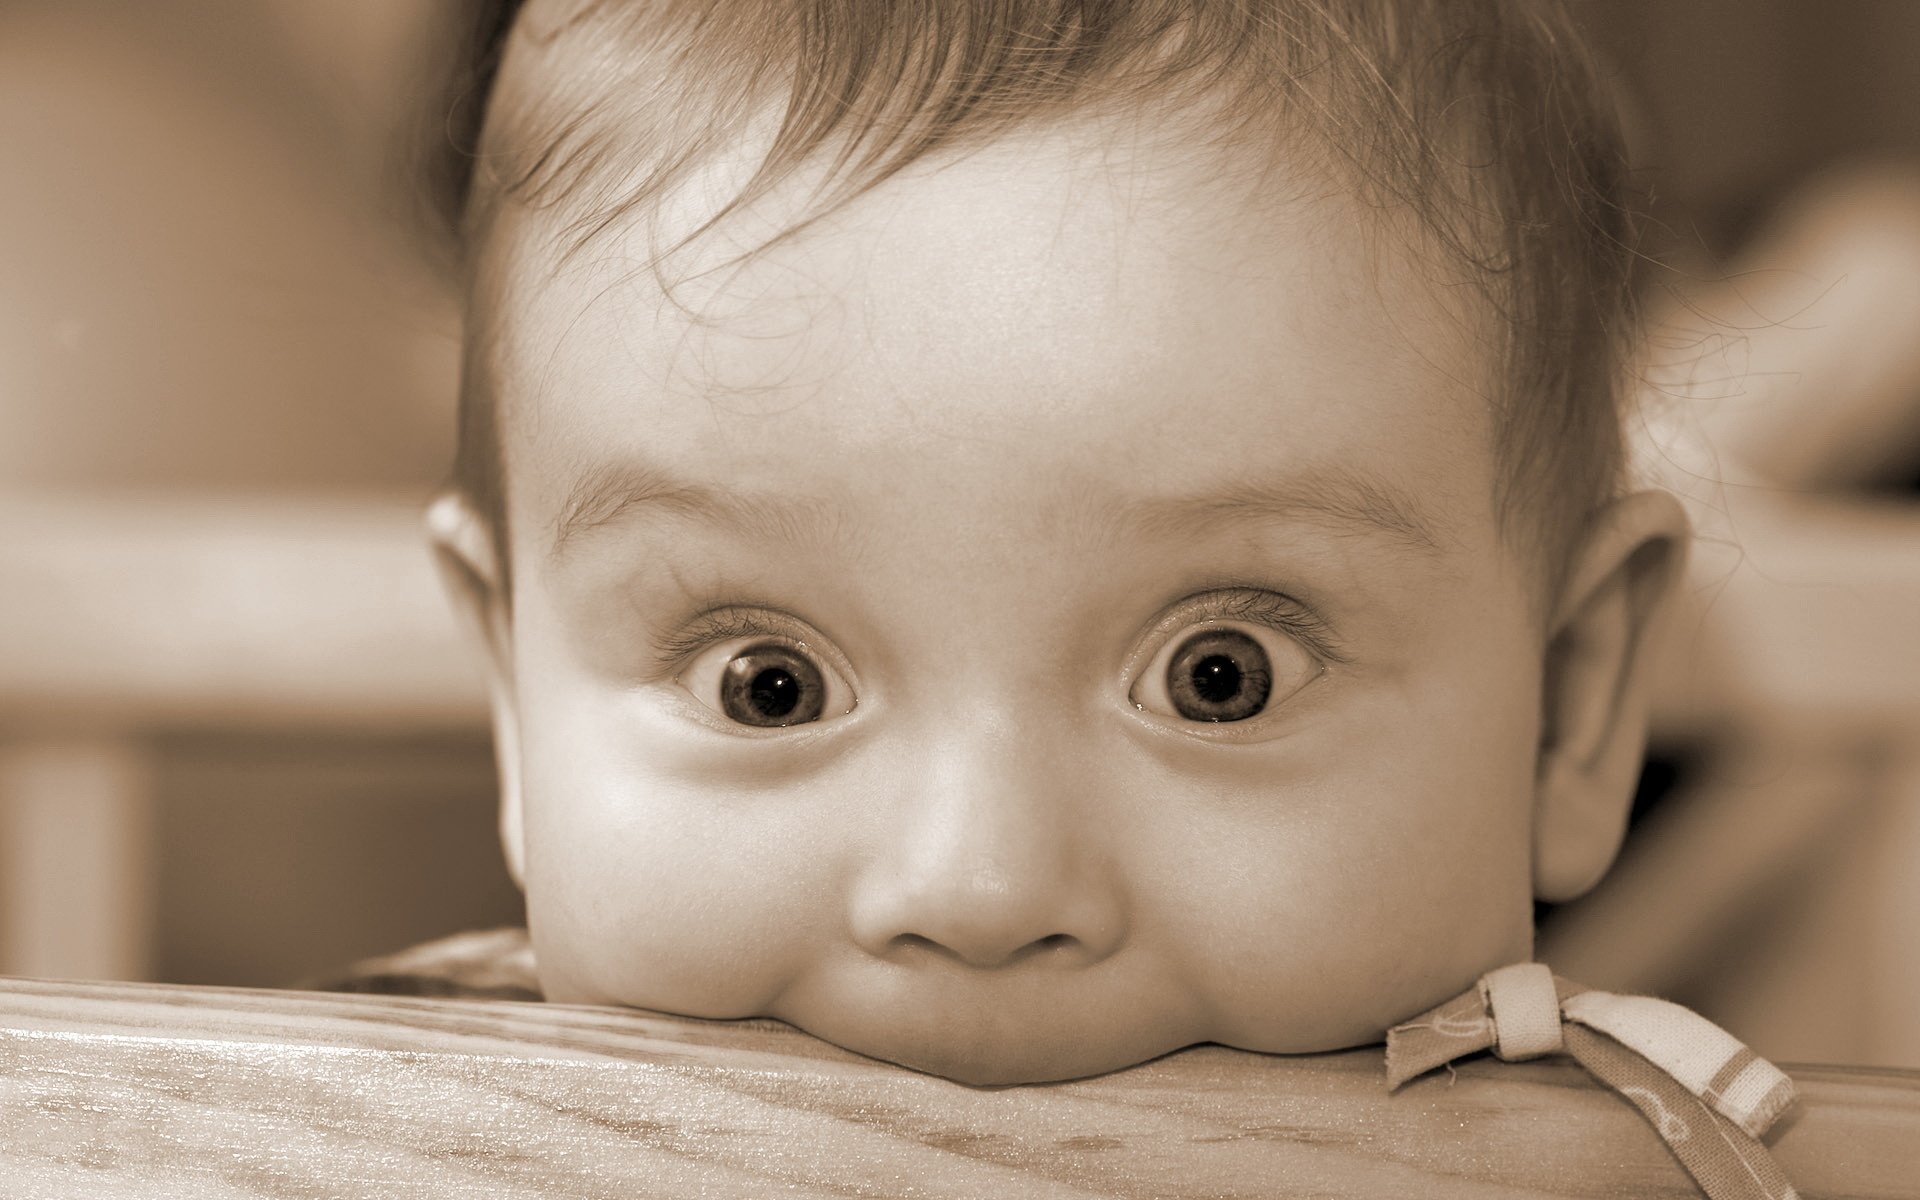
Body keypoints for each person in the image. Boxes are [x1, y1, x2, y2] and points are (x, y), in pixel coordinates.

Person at [365, 0, 1693, 1091]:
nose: (980, 889)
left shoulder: (1725, 1172)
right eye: (769, 686)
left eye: (1220, 677)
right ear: (516, 703)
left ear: (1566, 706)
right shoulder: (328, 1141)